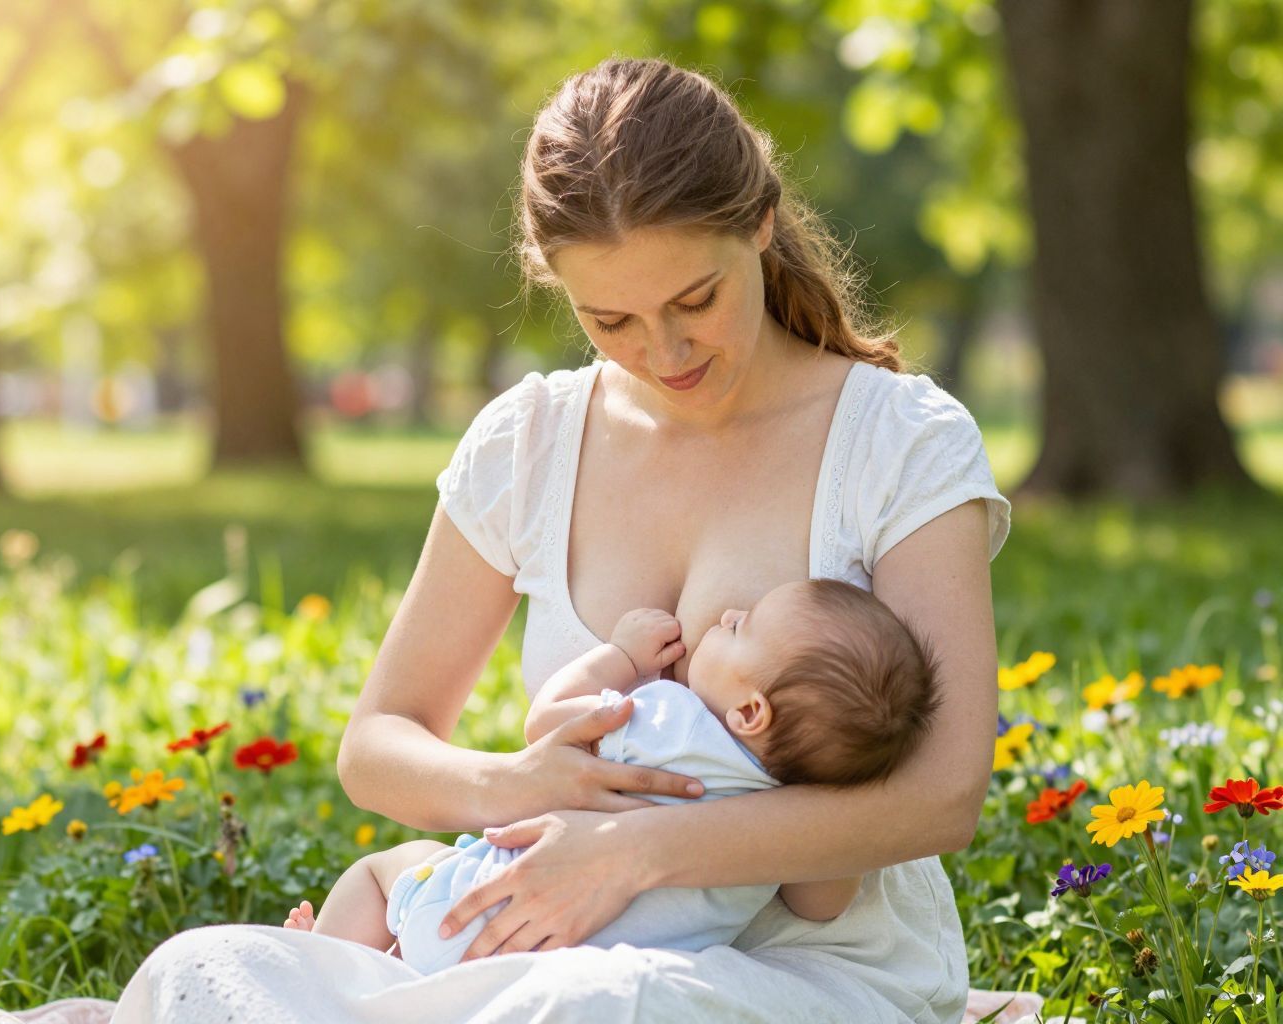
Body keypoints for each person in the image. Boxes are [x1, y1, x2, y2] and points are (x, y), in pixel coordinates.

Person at [94, 54, 1012, 1023]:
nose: (663, 354)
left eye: (695, 300)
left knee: (610, 1004)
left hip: (807, 979)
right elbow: (379, 742)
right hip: (538, 953)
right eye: (609, 317)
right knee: (206, 969)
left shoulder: (901, 440)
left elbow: (940, 798)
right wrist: (515, 784)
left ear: (760, 222)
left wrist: (632, 853)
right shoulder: (528, 443)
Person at [280, 578, 942, 974]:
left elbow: (548, 724)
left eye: (741, 627)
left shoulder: (664, 715)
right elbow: (821, 904)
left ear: (749, 710)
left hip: (473, 912)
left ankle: (326, 968)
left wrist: (621, 657)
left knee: (387, 867)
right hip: (576, 976)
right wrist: (834, 790)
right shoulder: (778, 835)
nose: (726, 616)